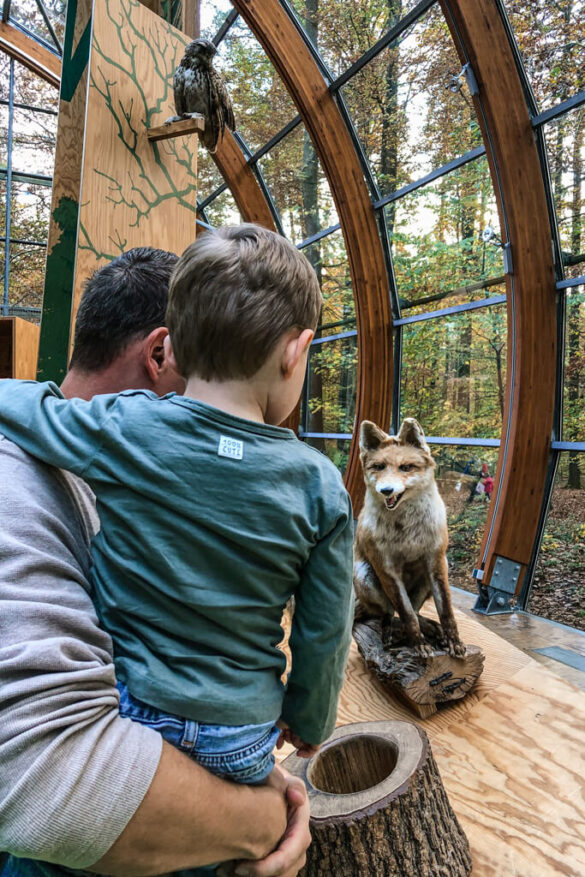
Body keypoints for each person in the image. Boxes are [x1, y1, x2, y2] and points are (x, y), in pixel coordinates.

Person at [0, 225, 354, 786]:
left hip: (129, 715)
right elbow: (324, 632)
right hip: (241, 736)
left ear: (175, 346)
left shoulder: (129, 425)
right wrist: (309, 720)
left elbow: (34, 411)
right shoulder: (321, 487)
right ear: (295, 352)